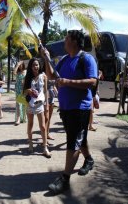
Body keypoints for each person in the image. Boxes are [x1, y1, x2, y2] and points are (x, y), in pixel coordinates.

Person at [41, 29, 98, 194]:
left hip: (79, 108)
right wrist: (46, 58)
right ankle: (89, 159)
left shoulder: (86, 59)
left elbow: (92, 81)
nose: (64, 41)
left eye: (66, 39)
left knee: (73, 141)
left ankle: (65, 179)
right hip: (66, 107)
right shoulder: (65, 59)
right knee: (80, 137)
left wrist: (68, 82)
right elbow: (51, 75)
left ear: (74, 41)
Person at [23, 58, 51, 158]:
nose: (36, 67)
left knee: (43, 126)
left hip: (40, 104)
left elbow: (46, 91)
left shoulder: (43, 76)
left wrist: (47, 105)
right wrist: (29, 91)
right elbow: (24, 91)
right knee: (30, 124)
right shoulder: (28, 77)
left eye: (37, 65)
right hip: (30, 104)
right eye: (34, 65)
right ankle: (30, 144)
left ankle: (45, 148)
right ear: (31, 67)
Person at [13, 61, 27, 125]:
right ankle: (18, 119)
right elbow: (14, 73)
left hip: (24, 89)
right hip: (18, 90)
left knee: (23, 104)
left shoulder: (25, 71)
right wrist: (17, 65)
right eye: (19, 65)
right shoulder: (17, 72)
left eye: (21, 65)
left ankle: (23, 118)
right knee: (18, 104)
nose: (20, 66)